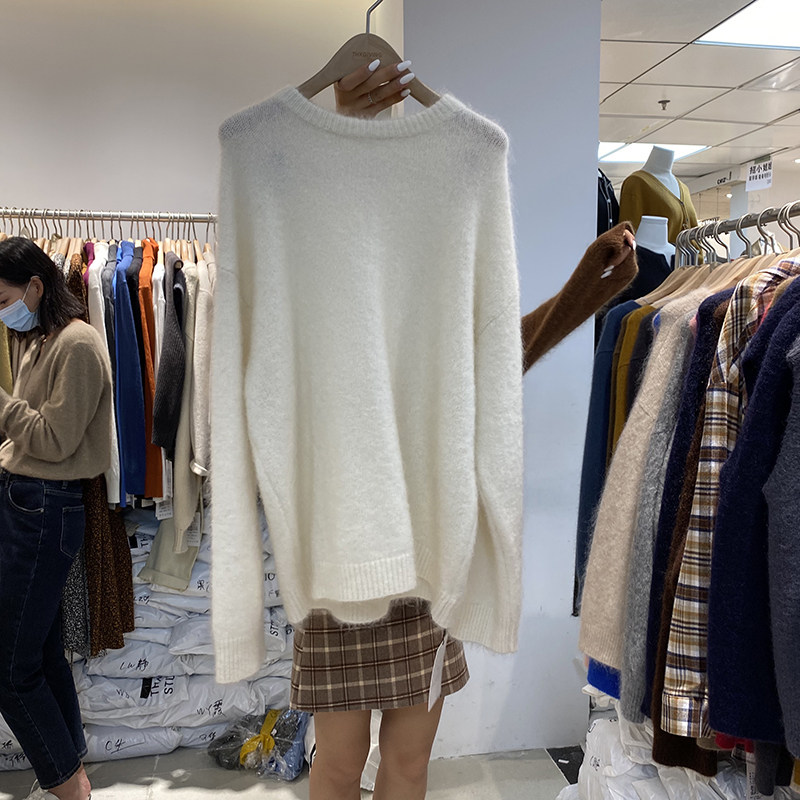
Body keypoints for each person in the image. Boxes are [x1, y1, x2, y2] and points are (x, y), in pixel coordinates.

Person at [286, 65, 639, 800]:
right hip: (346, 558)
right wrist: (346, 129)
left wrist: (586, 289)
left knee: (410, 761)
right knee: (341, 760)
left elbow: (493, 362)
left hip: (427, 556)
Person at [0, 237, 113, 800]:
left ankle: (68, 787)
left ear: (36, 286)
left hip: (43, 508)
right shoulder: (40, 341)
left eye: (3, 300)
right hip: (25, 501)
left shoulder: (79, 344)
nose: (1, 312)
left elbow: (54, 439)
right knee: (40, 652)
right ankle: (71, 775)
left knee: (10, 667)